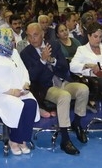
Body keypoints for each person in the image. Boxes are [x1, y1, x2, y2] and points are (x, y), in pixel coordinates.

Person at [20, 23, 89, 155]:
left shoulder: (54, 45)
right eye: (29, 36)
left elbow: (64, 66)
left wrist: (52, 60)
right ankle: (65, 139)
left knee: (83, 89)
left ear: (42, 34)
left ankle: (77, 123)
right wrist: (42, 61)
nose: (32, 39)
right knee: (64, 96)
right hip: (45, 87)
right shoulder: (25, 53)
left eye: (35, 35)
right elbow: (31, 76)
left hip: (63, 82)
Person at [0, 28, 39, 156]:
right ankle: (14, 140)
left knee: (31, 103)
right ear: (2, 40)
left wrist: (26, 83)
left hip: (18, 90)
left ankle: (22, 139)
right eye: (10, 39)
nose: (13, 41)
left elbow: (23, 70)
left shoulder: (14, 53)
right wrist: (10, 91)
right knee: (18, 105)